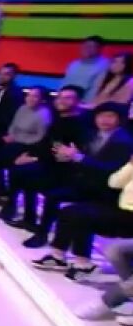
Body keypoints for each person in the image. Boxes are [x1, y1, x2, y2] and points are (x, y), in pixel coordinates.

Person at [25, 102, 133, 253]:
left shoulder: (124, 141)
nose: (104, 120)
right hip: (85, 180)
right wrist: (67, 157)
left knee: (68, 205)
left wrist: (79, 158)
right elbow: (80, 156)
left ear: (119, 119)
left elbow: (111, 170)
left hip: (104, 189)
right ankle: (41, 233)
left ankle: (63, 247)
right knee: (49, 191)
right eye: (101, 116)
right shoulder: (92, 134)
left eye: (110, 116)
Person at [0, 85, 89, 228]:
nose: (61, 101)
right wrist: (29, 155)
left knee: (24, 173)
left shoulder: (79, 124)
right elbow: (47, 143)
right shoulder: (59, 118)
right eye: (60, 97)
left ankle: (24, 215)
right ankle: (23, 214)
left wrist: (34, 158)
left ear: (78, 101)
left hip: (65, 169)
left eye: (68, 98)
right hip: (49, 162)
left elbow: (62, 152)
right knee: (18, 169)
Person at [47, 156, 133, 282]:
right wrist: (130, 165)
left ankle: (84, 264)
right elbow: (114, 183)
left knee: (84, 217)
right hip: (121, 209)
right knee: (70, 211)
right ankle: (57, 255)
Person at [61, 35, 109, 101]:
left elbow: (95, 90)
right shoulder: (74, 64)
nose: (87, 48)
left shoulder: (105, 66)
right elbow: (64, 83)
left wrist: (83, 104)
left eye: (92, 46)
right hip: (65, 100)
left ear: (99, 49)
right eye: (85, 45)